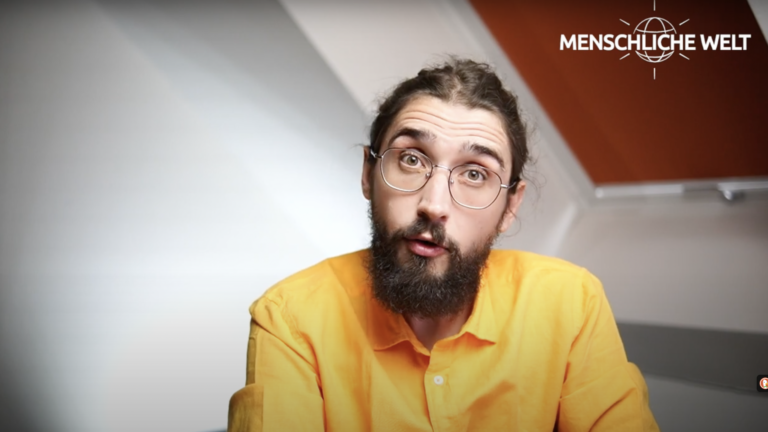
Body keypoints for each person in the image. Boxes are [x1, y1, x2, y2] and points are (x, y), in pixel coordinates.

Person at [227, 58, 659, 431]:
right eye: (411, 159)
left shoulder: (571, 303)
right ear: (368, 174)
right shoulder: (290, 317)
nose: (434, 206)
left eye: (475, 173)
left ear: (510, 206)